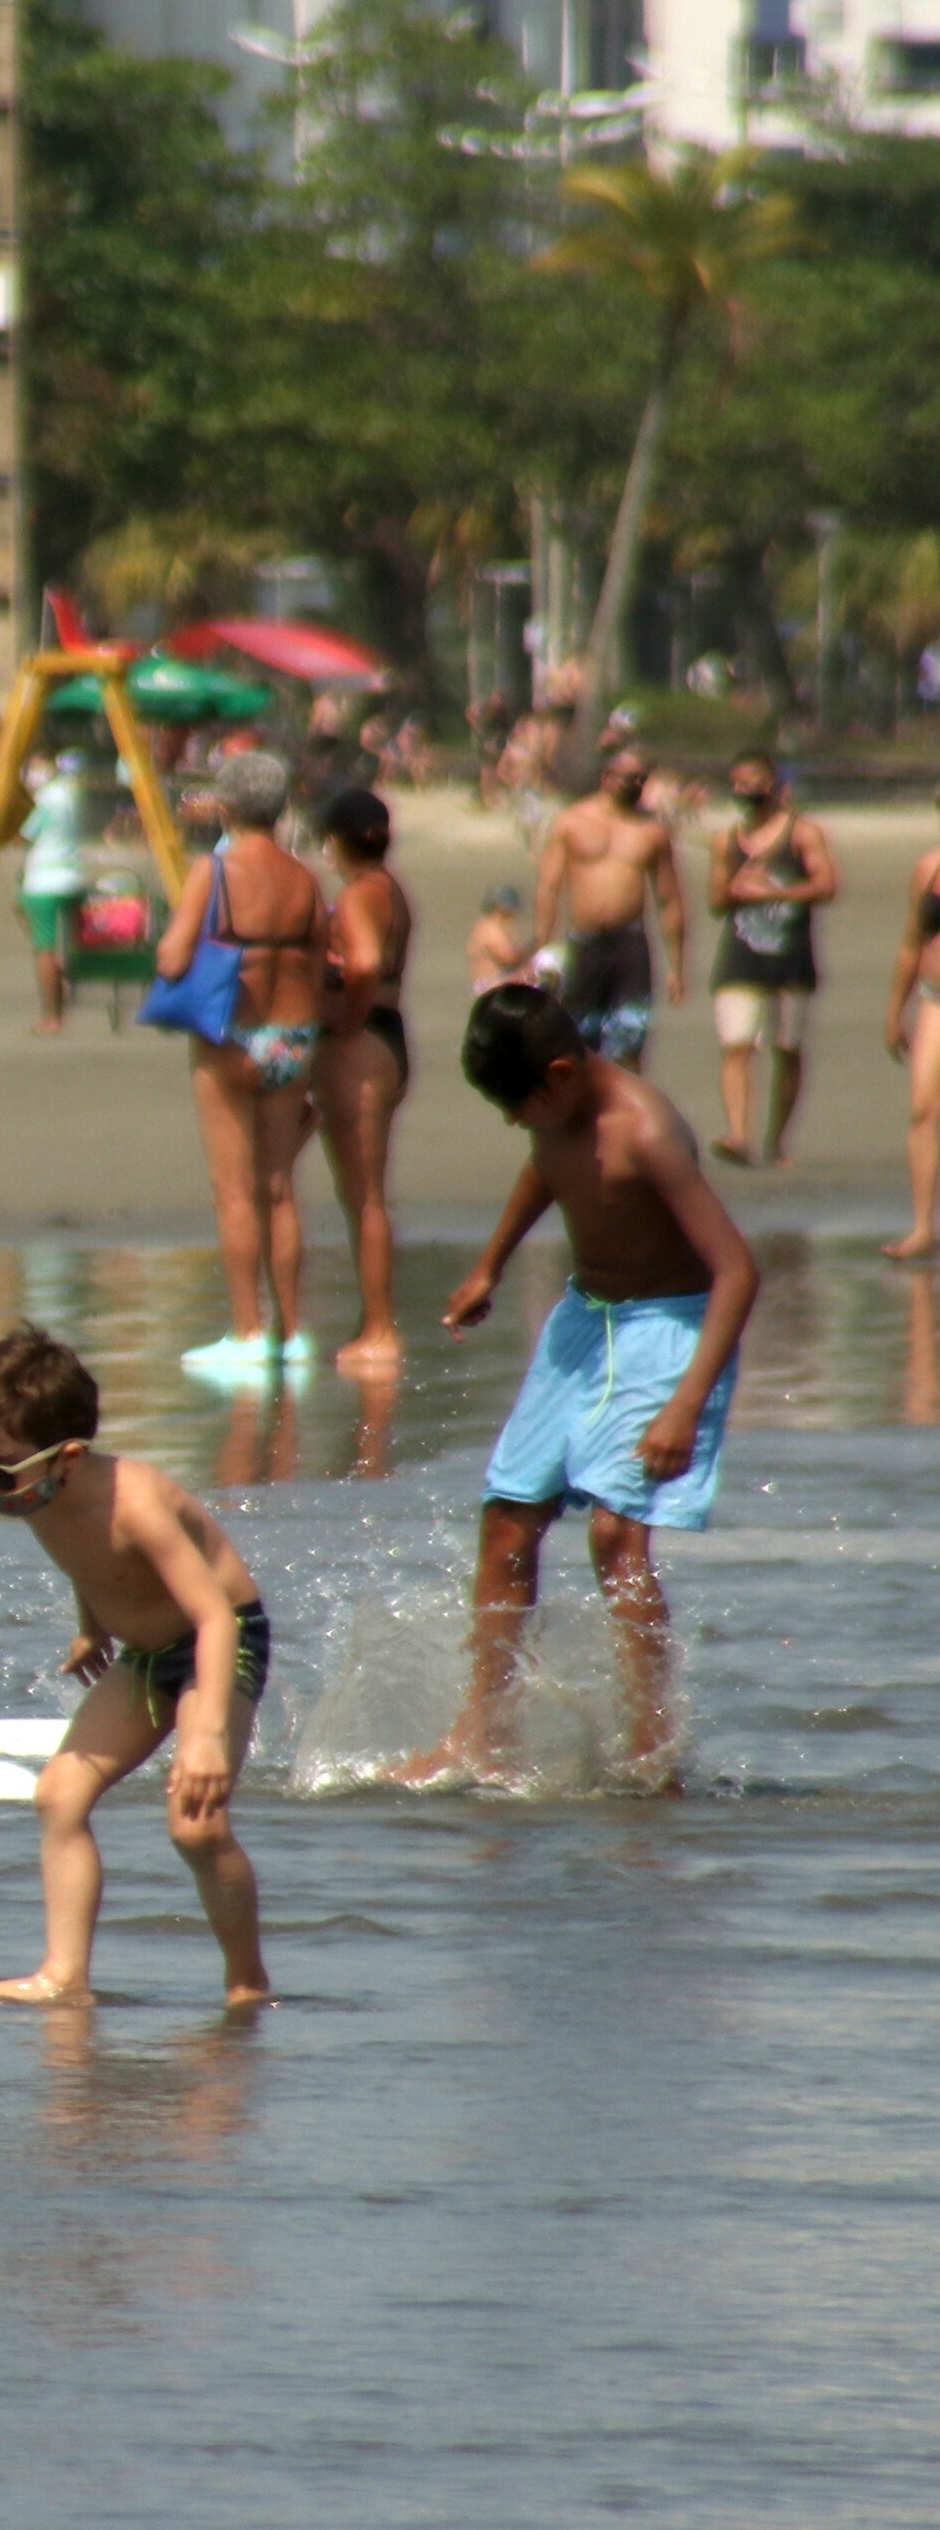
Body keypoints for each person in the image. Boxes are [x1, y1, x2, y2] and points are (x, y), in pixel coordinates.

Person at [404, 985, 759, 1786]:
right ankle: (481, 1734)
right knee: (504, 1520)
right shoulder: (554, 1119)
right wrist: (487, 1266)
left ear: (560, 1073)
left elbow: (737, 1271)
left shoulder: (643, 1131)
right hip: (582, 1321)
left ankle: (650, 1752)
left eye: (517, 1104)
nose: (512, 1122)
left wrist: (683, 1404)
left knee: (615, 1537)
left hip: (668, 1329)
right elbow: (545, 1173)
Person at [0, 1325, 271, 2010]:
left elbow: (213, 1615)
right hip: (145, 1654)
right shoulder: (38, 1494)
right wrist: (91, 1627)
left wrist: (205, 1731)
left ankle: (246, 1981)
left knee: (195, 1824)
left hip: (218, 1640)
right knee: (57, 1795)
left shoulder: (136, 1504)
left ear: (66, 1455)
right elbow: (84, 1560)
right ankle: (63, 1976)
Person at [160, 752, 324, 1374]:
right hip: (294, 1038)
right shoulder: (305, 877)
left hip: (235, 1037)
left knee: (234, 1192)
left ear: (225, 806)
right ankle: (294, 1334)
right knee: (279, 1188)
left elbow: (175, 959)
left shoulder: (216, 870)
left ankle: (248, 1334)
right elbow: (318, 956)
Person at [314, 786, 415, 1373]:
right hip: (391, 1035)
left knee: (364, 1195)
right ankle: (372, 1319)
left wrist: (344, 1021)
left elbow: (367, 963)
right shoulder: (392, 891)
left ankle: (380, 1328)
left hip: (363, 1040)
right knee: (365, 1193)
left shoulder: (357, 897)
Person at [704, 749, 835, 1168]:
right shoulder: (728, 839)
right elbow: (717, 900)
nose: (743, 792)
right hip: (741, 956)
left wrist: (776, 893)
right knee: (737, 1046)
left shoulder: (801, 833)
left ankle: (777, 1141)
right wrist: (737, 887)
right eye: (736, 784)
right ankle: (739, 1135)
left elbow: (826, 884)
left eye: (751, 783)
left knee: (787, 1048)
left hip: (791, 956)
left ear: (772, 785)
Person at [533, 744, 685, 1069]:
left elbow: (669, 898)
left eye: (642, 778)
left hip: (630, 945)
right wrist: (543, 948)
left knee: (630, 1040)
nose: (635, 784)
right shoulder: (571, 822)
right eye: (628, 777)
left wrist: (676, 964)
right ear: (606, 777)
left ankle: (626, 1112)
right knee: (576, 1041)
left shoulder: (652, 831)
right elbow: (548, 889)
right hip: (585, 943)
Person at [882, 790, 940, 1263]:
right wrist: (893, 1010)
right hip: (934, 999)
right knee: (923, 1108)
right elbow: (911, 941)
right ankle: (923, 1228)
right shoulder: (930, 867)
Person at [16, 750, 94, 1034]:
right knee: (23, 909)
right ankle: (59, 967)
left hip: (43, 880)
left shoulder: (47, 798)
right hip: (72, 875)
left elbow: (25, 834)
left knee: (43, 948)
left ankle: (52, 1015)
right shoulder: (74, 794)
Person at [469, 883, 538, 993]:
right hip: (490, 984)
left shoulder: (502, 927)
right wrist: (529, 952)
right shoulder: (490, 928)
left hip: (499, 981)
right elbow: (508, 958)